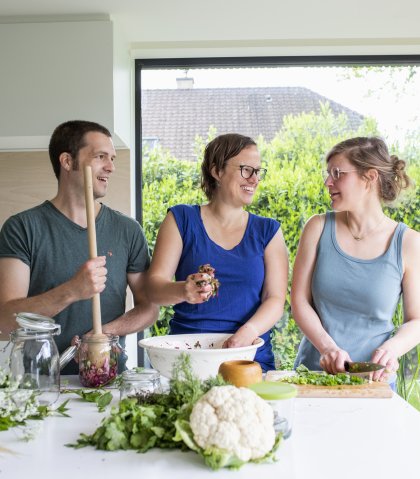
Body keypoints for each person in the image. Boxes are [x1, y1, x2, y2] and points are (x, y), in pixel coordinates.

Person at [0, 120, 158, 374]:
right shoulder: (22, 228)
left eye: (113, 158)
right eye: (100, 157)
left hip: (108, 378)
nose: (111, 167)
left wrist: (103, 333)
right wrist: (72, 291)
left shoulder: (127, 230)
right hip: (40, 385)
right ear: (67, 161)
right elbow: (6, 320)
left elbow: (149, 308)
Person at [145, 133, 289, 371]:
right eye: (246, 169)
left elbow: (275, 299)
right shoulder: (181, 219)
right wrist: (183, 290)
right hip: (186, 358)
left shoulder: (268, 231)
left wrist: (248, 333)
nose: (254, 179)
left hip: (248, 357)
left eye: (258, 171)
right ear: (217, 171)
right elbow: (153, 289)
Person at [291, 136, 420, 381]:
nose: (328, 182)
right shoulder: (317, 227)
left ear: (369, 177)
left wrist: (392, 349)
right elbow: (299, 301)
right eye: (328, 174)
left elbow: (417, 320)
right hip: (313, 376)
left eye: (338, 173)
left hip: (374, 380)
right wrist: (328, 348)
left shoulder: (409, 243)